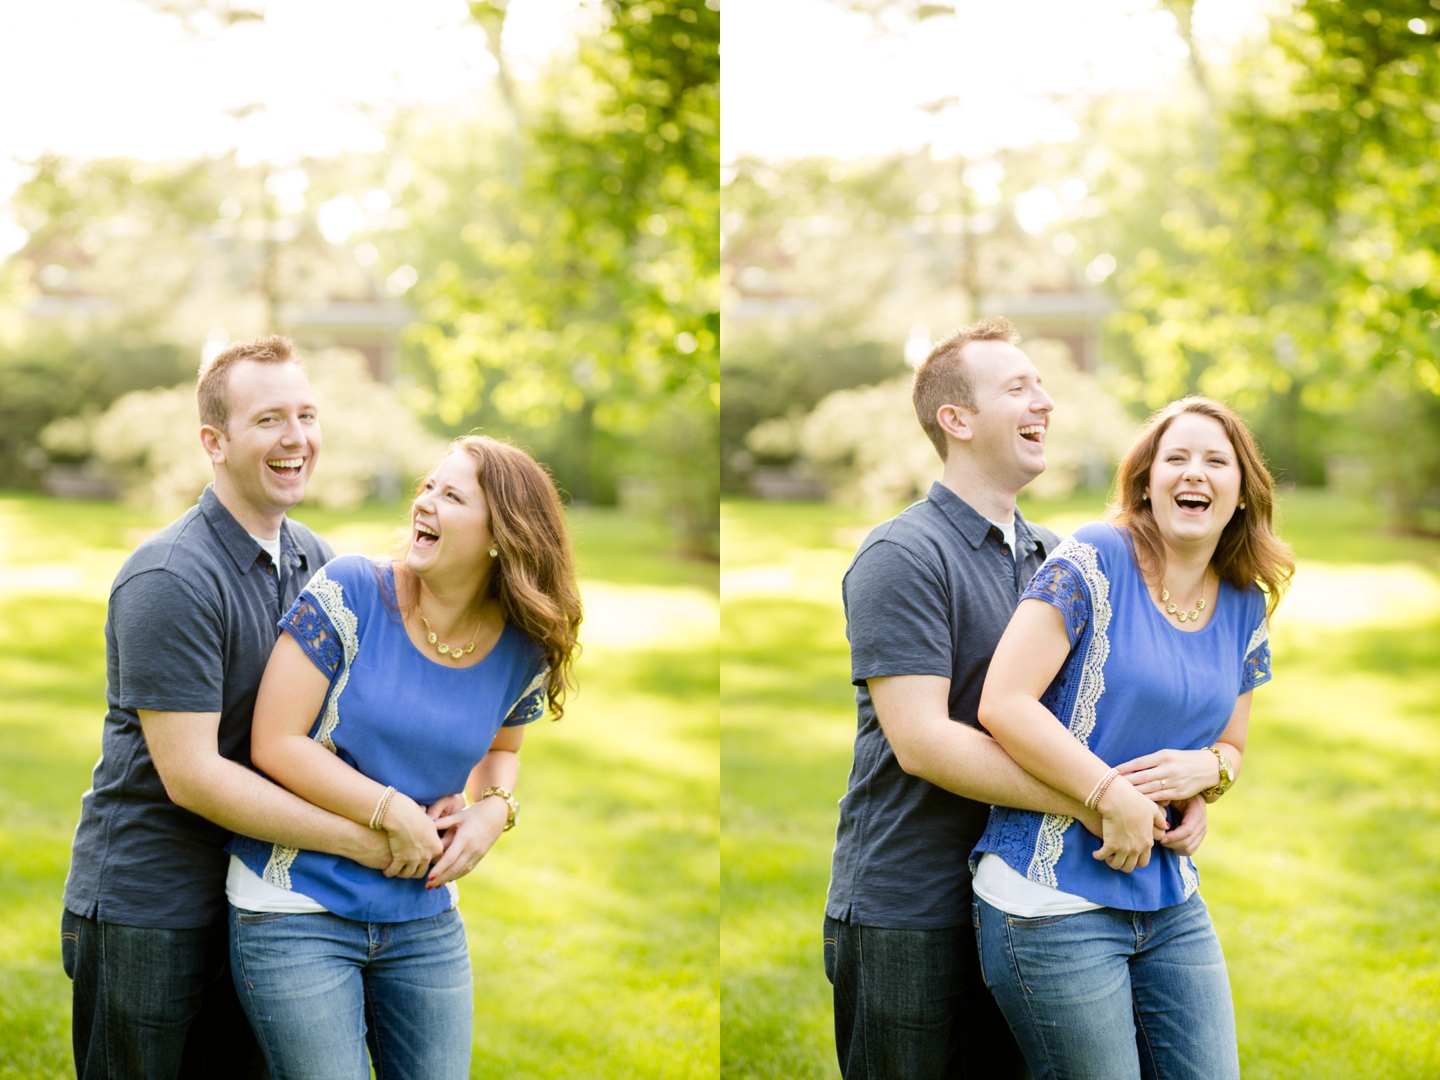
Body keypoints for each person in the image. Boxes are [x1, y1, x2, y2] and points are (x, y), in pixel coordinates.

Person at [823, 318, 1209, 1080]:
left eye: (1042, 385)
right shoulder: (902, 554)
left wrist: (1182, 788)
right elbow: (924, 741)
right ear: (956, 420)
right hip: (913, 906)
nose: (1046, 401)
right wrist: (1098, 800)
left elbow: (1098, 716)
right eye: (1018, 387)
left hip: (1032, 906)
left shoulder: (1057, 556)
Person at [61, 336, 397, 1079]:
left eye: (306, 415)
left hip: (266, 901)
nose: (297, 438)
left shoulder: (315, 558)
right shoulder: (169, 577)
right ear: (213, 442)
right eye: (270, 419)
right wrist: (359, 837)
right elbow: (194, 777)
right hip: (151, 907)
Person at [224, 434, 582, 1080]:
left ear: (502, 534)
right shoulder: (351, 592)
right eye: (427, 487)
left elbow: (503, 747)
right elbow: (275, 743)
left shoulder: (523, 646)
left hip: (423, 914)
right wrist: (389, 808)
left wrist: (493, 810)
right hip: (296, 905)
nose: (426, 503)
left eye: (451, 496)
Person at [971, 396, 1293, 1080]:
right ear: (1146, 481)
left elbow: (1231, 746)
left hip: (1169, 898)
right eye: (1175, 458)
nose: (1194, 473)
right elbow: (1003, 702)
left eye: (1215, 461)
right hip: (1049, 899)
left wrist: (1206, 774)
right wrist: (1107, 790)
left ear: (1241, 492)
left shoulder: (1243, 599)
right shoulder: (1095, 557)